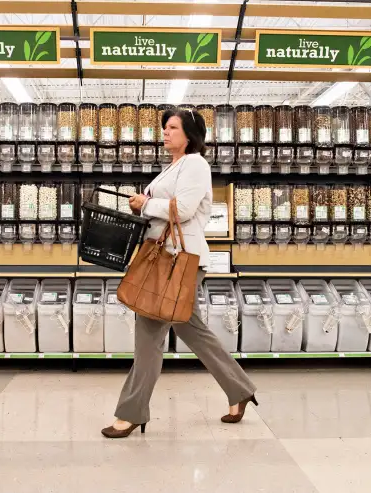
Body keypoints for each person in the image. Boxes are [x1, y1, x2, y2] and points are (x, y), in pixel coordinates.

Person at [101, 108, 257, 439]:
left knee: (148, 334)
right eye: (165, 127)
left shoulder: (196, 164)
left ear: (190, 134)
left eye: (173, 127)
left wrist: (144, 204)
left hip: (177, 260)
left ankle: (130, 413)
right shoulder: (173, 167)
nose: (166, 132)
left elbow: (182, 211)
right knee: (191, 329)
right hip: (167, 258)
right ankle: (239, 388)